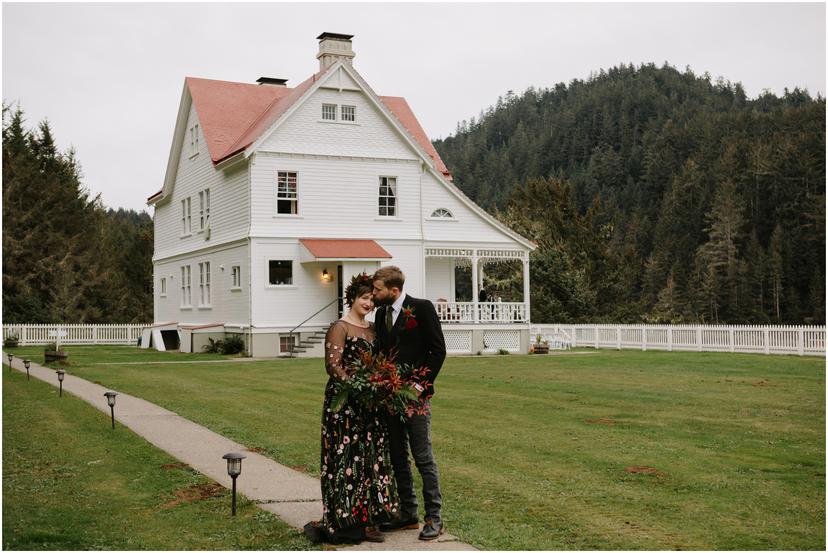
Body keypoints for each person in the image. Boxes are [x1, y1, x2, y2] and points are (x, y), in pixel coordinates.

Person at [303, 273, 399, 545]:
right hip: (343, 406)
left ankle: (368, 520)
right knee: (345, 459)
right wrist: (359, 387)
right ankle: (344, 518)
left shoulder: (373, 329)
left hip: (371, 407)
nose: (369, 303)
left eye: (372, 299)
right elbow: (333, 366)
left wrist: (379, 386)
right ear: (353, 298)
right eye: (364, 298)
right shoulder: (339, 327)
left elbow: (382, 362)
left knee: (371, 461)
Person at [372, 266, 447, 541]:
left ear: (394, 290)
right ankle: (408, 514)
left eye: (378, 289)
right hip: (390, 397)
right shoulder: (381, 314)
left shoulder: (422, 308)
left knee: (422, 457)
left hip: (416, 399)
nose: (374, 294)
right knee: (397, 456)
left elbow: (438, 350)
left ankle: (434, 518)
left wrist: (418, 385)